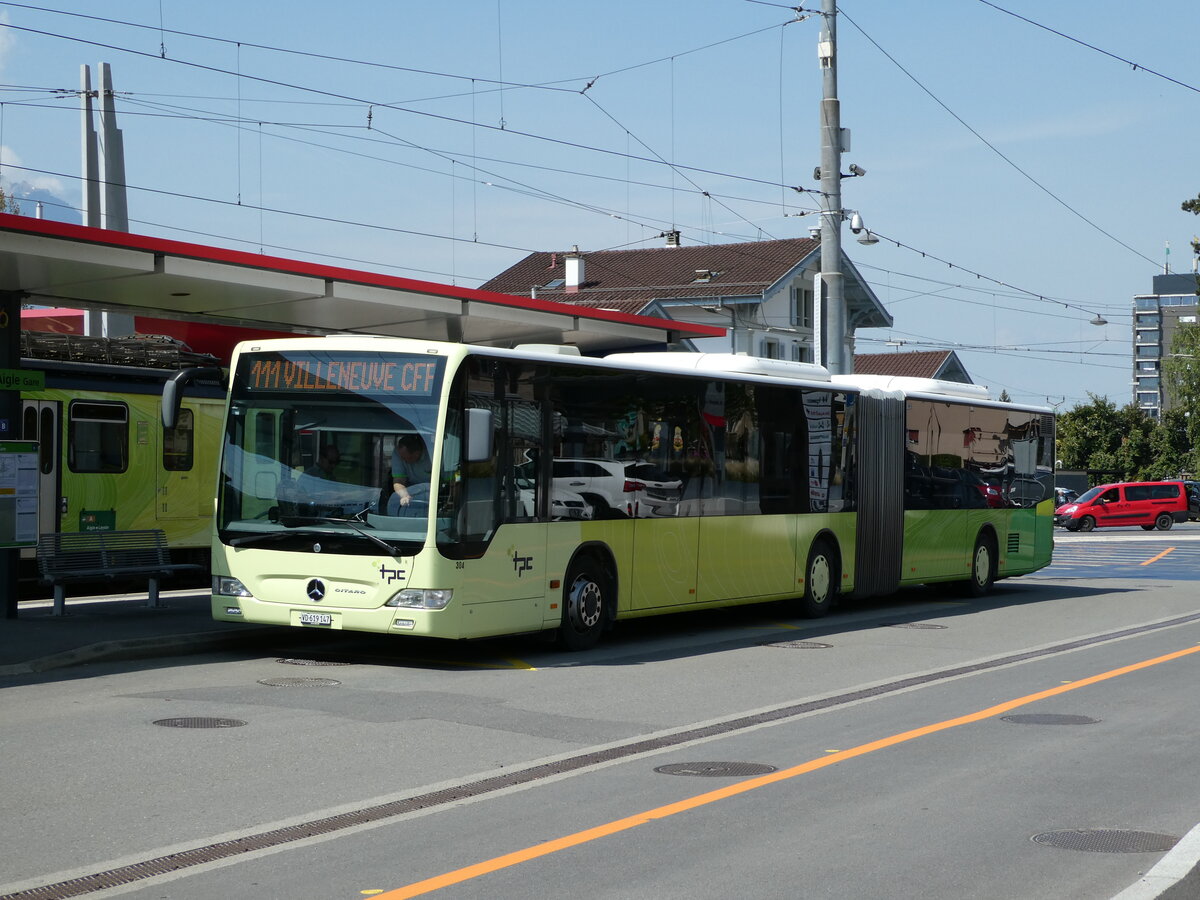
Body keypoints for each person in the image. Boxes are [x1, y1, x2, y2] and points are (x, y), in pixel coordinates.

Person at [391, 434, 432, 508]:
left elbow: (451, 482)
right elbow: (398, 481)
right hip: (411, 493)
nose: (403, 460)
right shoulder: (398, 453)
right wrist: (404, 496)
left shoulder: (433, 453)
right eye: (401, 457)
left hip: (434, 493)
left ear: (417, 453)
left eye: (406, 458)